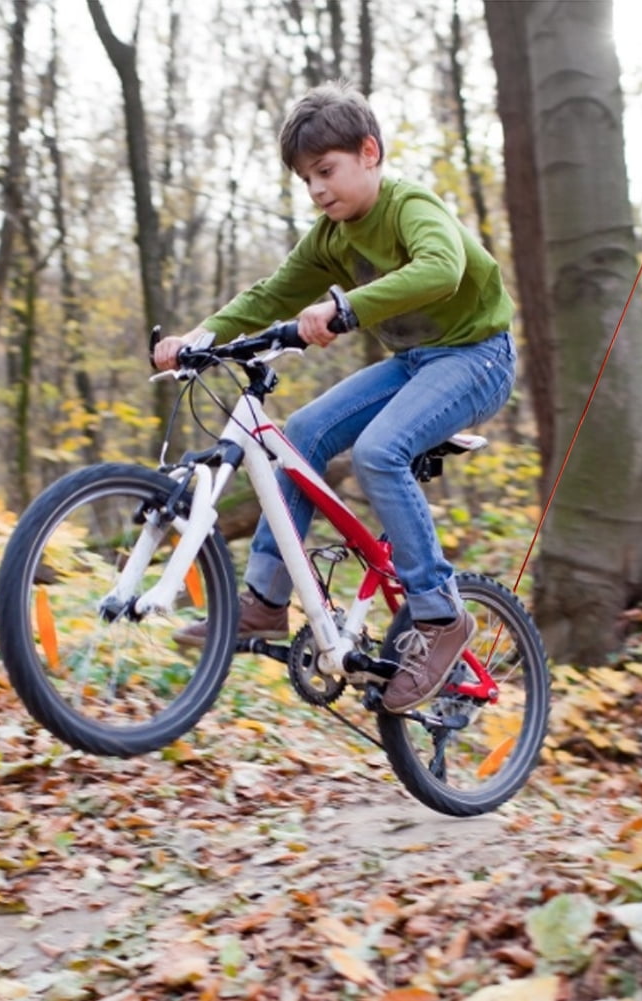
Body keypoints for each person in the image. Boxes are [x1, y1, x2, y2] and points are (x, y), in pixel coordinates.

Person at [154, 81, 516, 714]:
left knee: (380, 451)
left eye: (327, 170)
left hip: (478, 357)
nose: (319, 189)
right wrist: (201, 337)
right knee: (301, 436)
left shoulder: (409, 207)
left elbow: (442, 269)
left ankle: (439, 616)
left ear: (369, 152)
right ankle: (263, 601)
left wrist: (345, 308)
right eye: (306, 179)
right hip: (415, 363)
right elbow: (271, 294)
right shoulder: (331, 236)